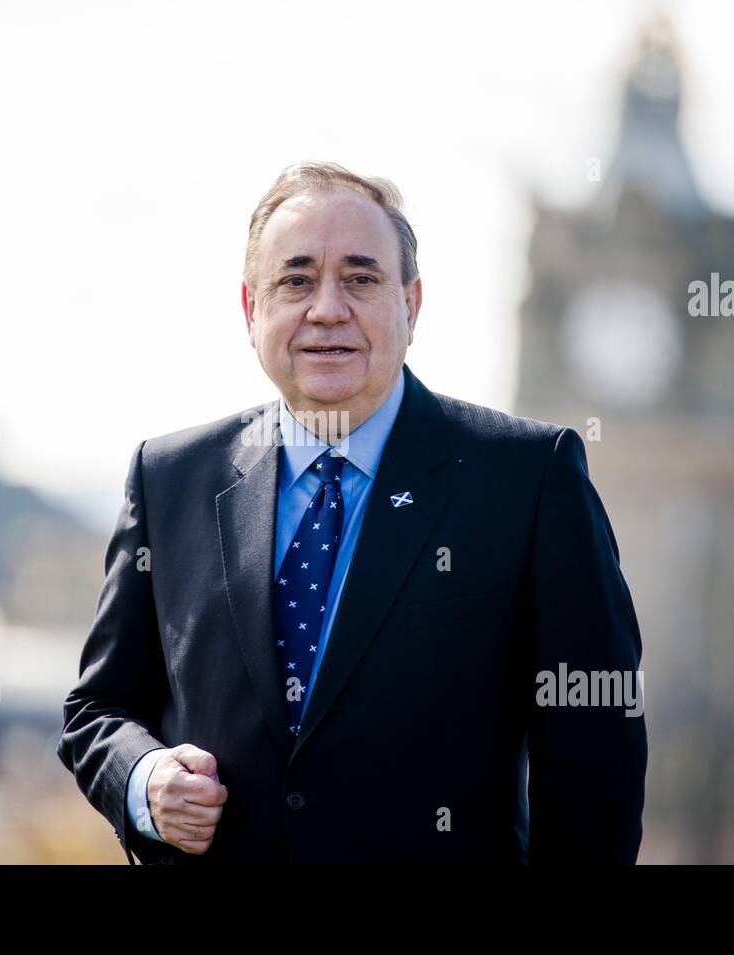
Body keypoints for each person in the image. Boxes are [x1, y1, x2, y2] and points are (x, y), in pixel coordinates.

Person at [57, 161, 647, 863]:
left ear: (411, 305)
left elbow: (593, 768)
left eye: (361, 279)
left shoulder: (528, 480)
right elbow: (98, 711)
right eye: (297, 280)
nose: (327, 309)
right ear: (252, 309)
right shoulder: (168, 477)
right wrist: (146, 781)